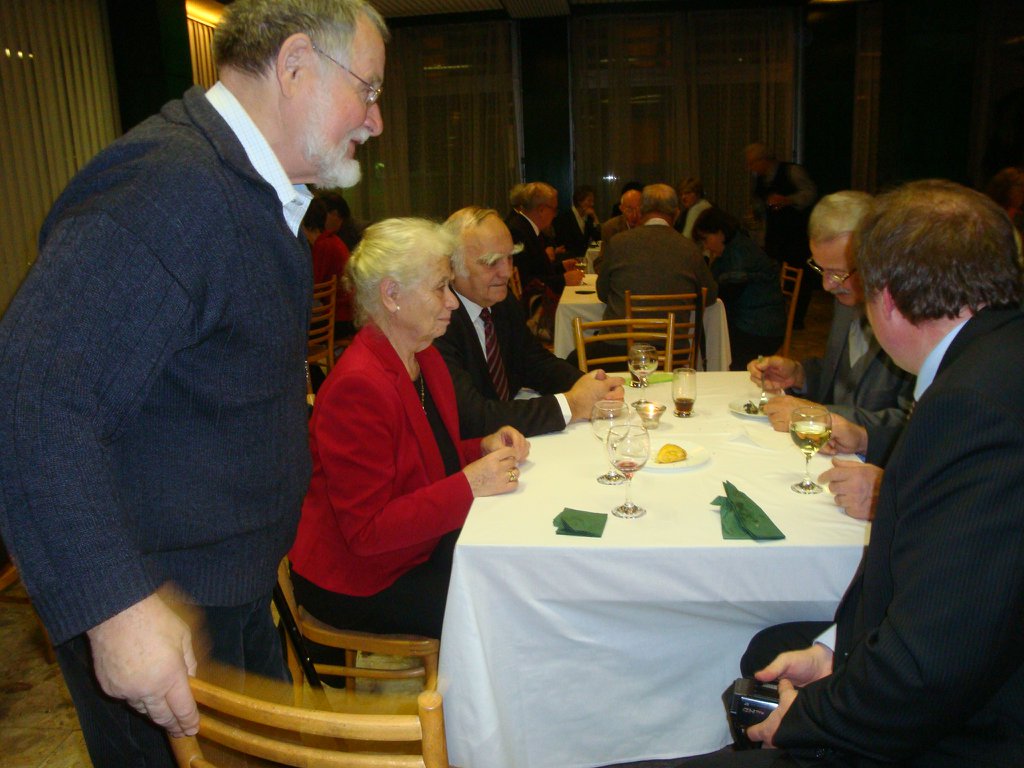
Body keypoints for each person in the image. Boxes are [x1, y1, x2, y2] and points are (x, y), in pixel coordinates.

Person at [0, 1, 387, 765]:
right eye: (368, 90)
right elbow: (30, 398)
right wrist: (114, 607)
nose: (376, 121)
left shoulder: (243, 191)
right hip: (161, 610)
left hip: (224, 592)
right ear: (296, 65)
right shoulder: (172, 189)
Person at [683, 179, 1024, 768]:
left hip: (973, 729)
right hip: (962, 682)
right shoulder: (994, 355)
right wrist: (832, 651)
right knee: (768, 654)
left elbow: (930, 666)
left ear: (885, 298)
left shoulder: (972, 406)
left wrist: (806, 719)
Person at [288, 218, 530, 642]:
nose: (452, 302)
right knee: (505, 611)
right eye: (440, 287)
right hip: (361, 577)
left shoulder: (425, 358)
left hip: (414, 548)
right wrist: (471, 484)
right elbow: (367, 532)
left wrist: (480, 448)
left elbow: (426, 460)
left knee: (519, 565)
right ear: (391, 295)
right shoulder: (358, 386)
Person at [749, 191, 913, 468]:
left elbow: (912, 425)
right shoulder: (846, 302)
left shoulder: (911, 320)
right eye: (821, 269)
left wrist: (816, 414)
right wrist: (800, 375)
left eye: (838, 272)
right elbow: (843, 381)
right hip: (832, 459)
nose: (827, 285)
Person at [434, 207, 624, 438]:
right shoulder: (437, 323)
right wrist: (572, 404)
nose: (507, 272)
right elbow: (474, 418)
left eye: (509, 257)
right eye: (491, 262)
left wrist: (589, 386)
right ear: (452, 267)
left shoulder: (502, 302)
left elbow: (534, 361)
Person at [597, 183, 718, 321]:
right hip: (671, 333)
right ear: (677, 214)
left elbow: (602, 292)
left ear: (641, 212)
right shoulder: (690, 249)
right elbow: (709, 296)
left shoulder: (618, 243)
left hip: (622, 332)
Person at [692, 207, 786, 371]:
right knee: (711, 337)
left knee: (711, 341)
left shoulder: (738, 254)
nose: (706, 246)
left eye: (706, 239)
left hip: (758, 329)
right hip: (761, 323)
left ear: (720, 233)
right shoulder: (738, 245)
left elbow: (724, 294)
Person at [745, 142, 817, 329]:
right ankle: (779, 315)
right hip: (774, 237)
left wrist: (788, 200)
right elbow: (760, 205)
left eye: (752, 163)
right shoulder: (761, 180)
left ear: (763, 160)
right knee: (775, 277)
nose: (751, 168)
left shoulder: (792, 172)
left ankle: (796, 319)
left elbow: (810, 193)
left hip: (796, 236)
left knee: (799, 278)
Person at [302, 196, 354, 337]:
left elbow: (313, 286)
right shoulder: (332, 240)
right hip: (345, 315)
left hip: (338, 319)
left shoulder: (323, 245)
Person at [596, 187, 643, 272]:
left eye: (639, 209)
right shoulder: (610, 228)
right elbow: (602, 261)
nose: (634, 215)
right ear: (621, 209)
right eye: (629, 210)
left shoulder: (649, 226)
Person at [553, 184, 602, 258]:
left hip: (584, 258)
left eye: (593, 201)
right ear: (579, 201)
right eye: (589, 201)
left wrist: (595, 218)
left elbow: (598, 239)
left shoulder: (589, 218)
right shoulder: (564, 218)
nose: (592, 204)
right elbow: (564, 244)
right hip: (568, 258)